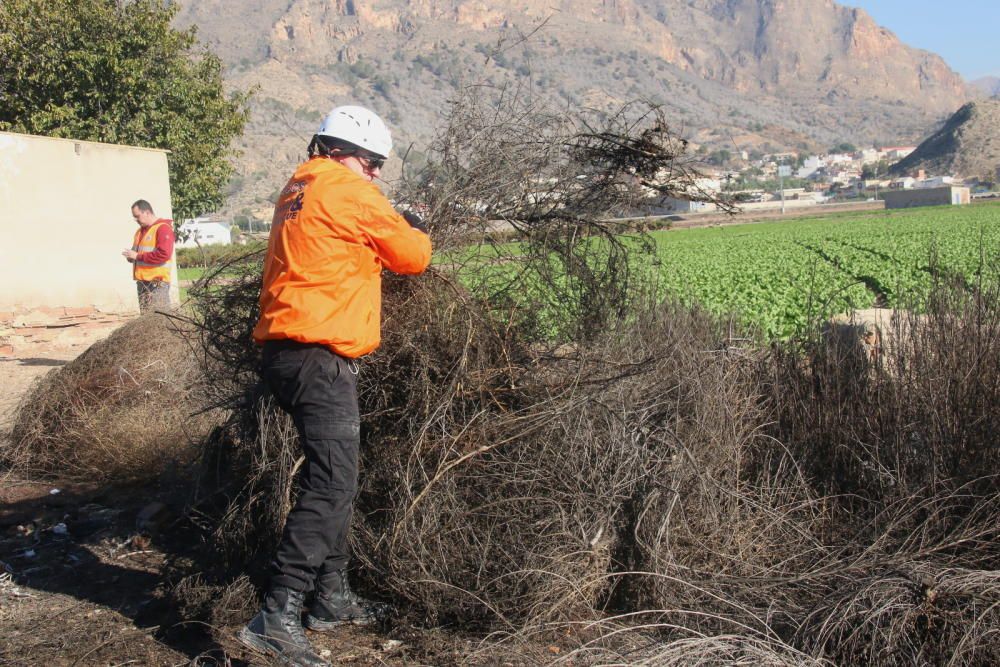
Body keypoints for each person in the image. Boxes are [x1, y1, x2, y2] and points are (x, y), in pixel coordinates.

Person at [238, 105, 432, 667]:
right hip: (317, 357)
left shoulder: (297, 187)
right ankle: (277, 613)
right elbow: (413, 258)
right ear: (340, 151)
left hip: (286, 353)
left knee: (335, 479)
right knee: (331, 484)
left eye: (378, 166)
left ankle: (331, 597)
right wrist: (412, 225)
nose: (374, 172)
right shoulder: (349, 190)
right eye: (371, 161)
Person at [122, 200, 175, 313]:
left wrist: (138, 256)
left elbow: (163, 254)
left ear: (147, 212)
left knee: (159, 321)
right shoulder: (139, 232)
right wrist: (130, 257)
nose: (136, 220)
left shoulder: (163, 228)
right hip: (142, 283)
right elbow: (136, 253)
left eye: (137, 216)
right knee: (146, 323)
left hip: (157, 285)